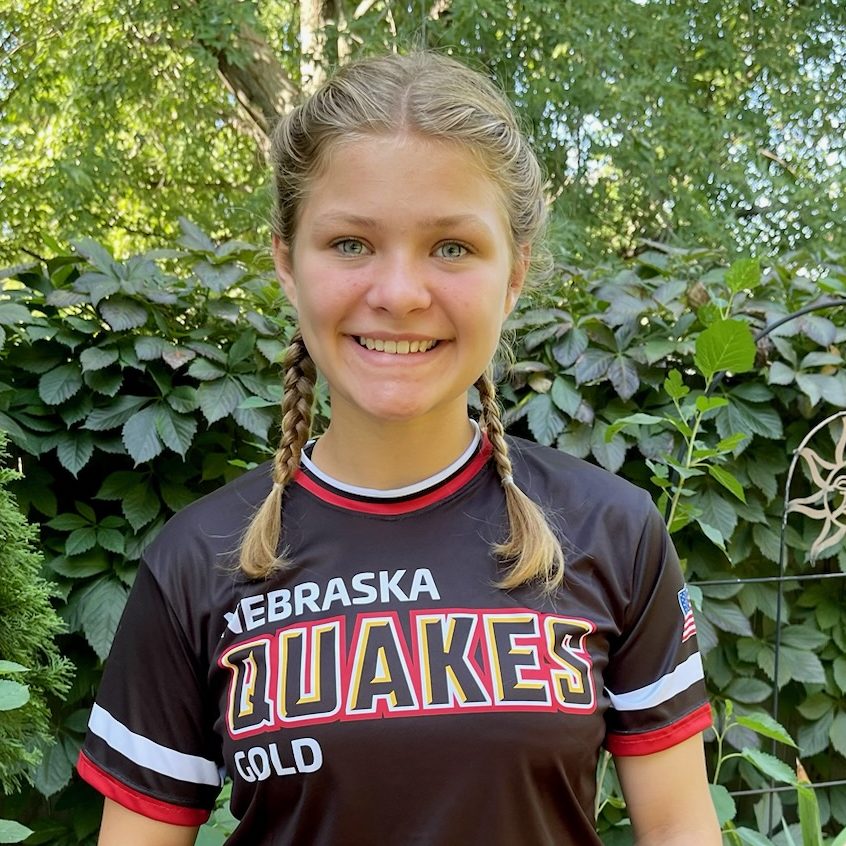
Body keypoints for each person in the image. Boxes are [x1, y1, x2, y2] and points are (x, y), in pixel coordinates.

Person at [77, 51, 721, 845]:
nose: (400, 294)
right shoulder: (195, 562)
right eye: (351, 243)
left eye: (452, 247)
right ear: (287, 262)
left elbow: (680, 828)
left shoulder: (611, 531)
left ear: (514, 274)